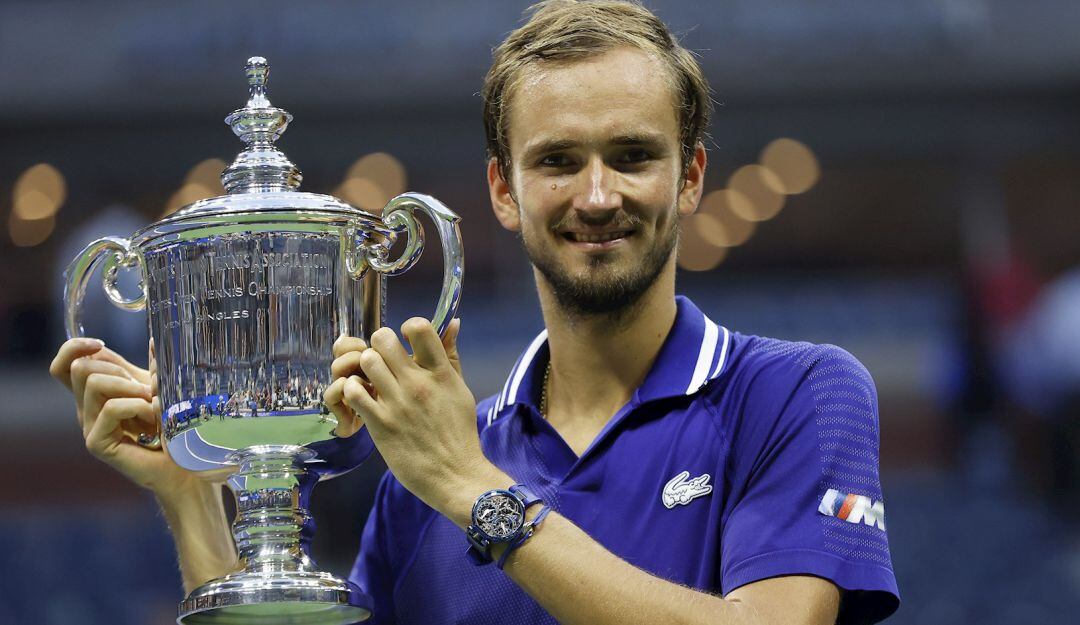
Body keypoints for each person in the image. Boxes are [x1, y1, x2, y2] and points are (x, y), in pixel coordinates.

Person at [50, 1, 900, 623]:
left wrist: (472, 488)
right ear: (503, 189)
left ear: (691, 177)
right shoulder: (425, 475)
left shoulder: (798, 393)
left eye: (633, 155)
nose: (597, 194)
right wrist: (192, 498)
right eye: (558, 160)